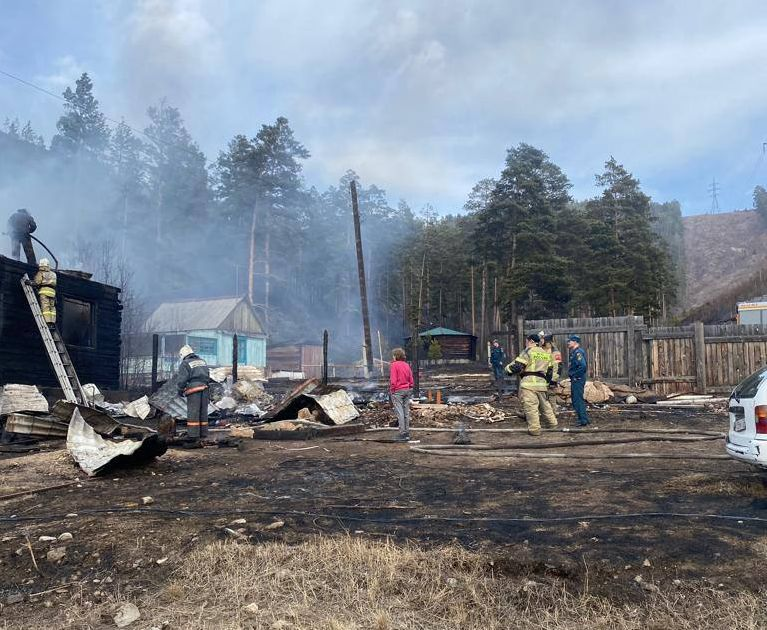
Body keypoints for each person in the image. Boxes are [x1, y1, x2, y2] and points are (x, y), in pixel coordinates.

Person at [506, 333, 558, 436]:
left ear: (531, 341)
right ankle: (553, 424)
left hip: (529, 384)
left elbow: (518, 366)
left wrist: (507, 369)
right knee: (545, 406)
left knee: (531, 408)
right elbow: (550, 371)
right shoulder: (545, 353)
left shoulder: (528, 351)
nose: (526, 343)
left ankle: (535, 430)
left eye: (526, 341)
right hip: (542, 384)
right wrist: (546, 383)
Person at [177, 344, 211, 443]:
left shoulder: (185, 363)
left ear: (183, 355)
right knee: (203, 412)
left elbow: (182, 379)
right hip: (205, 388)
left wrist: (180, 389)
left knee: (193, 412)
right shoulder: (202, 361)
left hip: (194, 389)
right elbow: (208, 375)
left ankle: (193, 435)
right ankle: (203, 433)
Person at [389, 347, 414, 443]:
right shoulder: (406, 365)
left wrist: (392, 390)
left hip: (398, 391)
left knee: (400, 413)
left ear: (396, 356)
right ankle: (407, 432)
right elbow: (411, 379)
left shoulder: (394, 365)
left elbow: (393, 380)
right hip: (407, 390)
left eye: (393, 355)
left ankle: (402, 433)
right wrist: (410, 387)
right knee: (406, 412)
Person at [567, 335, 590, 426]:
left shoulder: (578, 353)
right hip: (577, 379)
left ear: (575, 342)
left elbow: (583, 366)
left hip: (578, 379)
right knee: (577, 399)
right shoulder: (574, 352)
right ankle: (583, 419)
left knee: (577, 400)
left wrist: (575, 375)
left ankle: (583, 420)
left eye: (570, 341)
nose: (568, 343)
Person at [540, 331, 563, 409]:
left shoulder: (554, 352)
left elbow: (558, 367)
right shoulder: (541, 350)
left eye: (542, 338)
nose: (541, 340)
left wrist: (553, 379)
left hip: (550, 379)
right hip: (541, 378)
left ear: (547, 339)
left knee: (551, 396)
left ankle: (553, 413)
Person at [32, 258, 56, 327]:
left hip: (44, 291)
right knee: (52, 308)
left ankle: (48, 322)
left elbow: (37, 282)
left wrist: (30, 282)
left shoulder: (41, 273)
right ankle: (52, 322)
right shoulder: (53, 274)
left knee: (45, 307)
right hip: (52, 293)